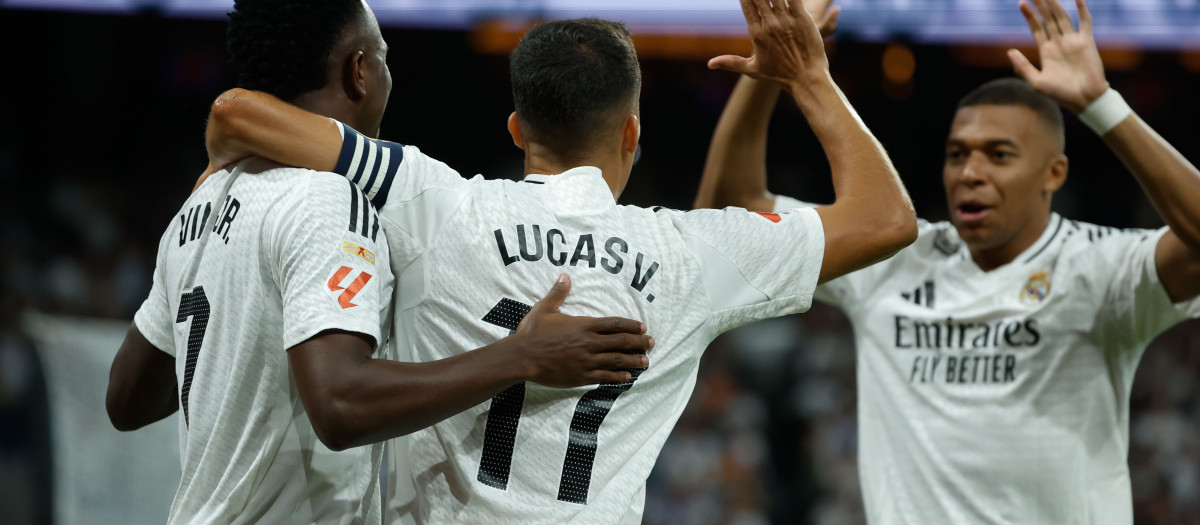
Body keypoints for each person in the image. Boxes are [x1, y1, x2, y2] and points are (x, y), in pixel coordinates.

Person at [200, 0, 917, 521]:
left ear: (517, 127)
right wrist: (808, 76)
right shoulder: (688, 250)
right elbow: (887, 217)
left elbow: (235, 112)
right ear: (632, 132)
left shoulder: (430, 199)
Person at [104, 1, 653, 523]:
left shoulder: (202, 202)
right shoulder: (329, 199)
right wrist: (520, 355)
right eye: (385, 58)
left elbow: (127, 400)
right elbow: (341, 404)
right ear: (360, 72)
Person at [695, 0, 1200, 522]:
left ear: (1054, 173)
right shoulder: (894, 258)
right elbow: (730, 208)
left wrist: (1101, 105)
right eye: (958, 154)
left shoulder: (1104, 268)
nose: (970, 172)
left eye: (998, 155)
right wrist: (771, 66)